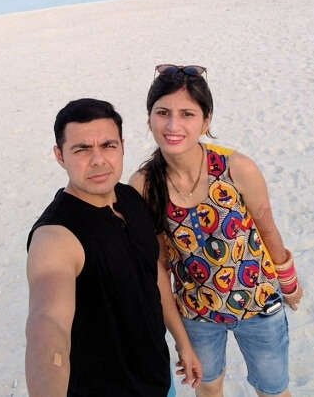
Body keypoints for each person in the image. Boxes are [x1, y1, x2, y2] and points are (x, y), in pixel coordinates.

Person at [129, 65, 304, 397]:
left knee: (273, 389)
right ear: (149, 117)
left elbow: (267, 227)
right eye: (162, 112)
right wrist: (178, 337)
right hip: (197, 313)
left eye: (187, 114)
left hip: (260, 304)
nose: (172, 125)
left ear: (205, 121)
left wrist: (289, 281)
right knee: (208, 388)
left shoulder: (237, 167)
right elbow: (158, 266)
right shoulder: (143, 186)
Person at [25, 98, 202, 397]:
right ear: (59, 155)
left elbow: (154, 273)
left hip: (158, 380)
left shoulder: (130, 198)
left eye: (108, 145)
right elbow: (48, 323)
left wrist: (182, 343)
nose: (98, 160)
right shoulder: (55, 236)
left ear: (122, 145)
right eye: (81, 149)